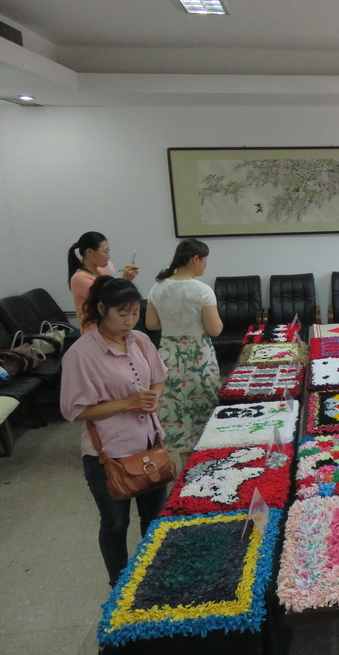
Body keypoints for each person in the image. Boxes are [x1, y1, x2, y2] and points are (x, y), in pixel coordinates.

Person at [60, 277, 167, 586]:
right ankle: (120, 587)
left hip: (149, 445)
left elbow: (158, 377)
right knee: (115, 523)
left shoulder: (140, 340)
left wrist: (154, 397)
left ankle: (155, 578)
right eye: (122, 314)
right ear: (102, 308)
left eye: (135, 313)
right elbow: (74, 410)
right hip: (109, 455)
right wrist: (127, 403)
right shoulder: (81, 354)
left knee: (155, 520)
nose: (129, 321)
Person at [146, 239, 223, 465]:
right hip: (198, 356)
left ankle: (185, 465)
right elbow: (215, 329)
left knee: (176, 409)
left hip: (169, 355)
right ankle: (206, 461)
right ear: (195, 259)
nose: (206, 264)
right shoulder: (202, 290)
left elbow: (151, 324)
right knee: (204, 404)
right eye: (205, 259)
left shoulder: (157, 288)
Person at [68, 232, 139, 332]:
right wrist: (125, 280)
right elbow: (109, 299)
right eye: (105, 252)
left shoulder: (101, 272)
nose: (108, 256)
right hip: (94, 331)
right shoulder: (80, 278)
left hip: (108, 328)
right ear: (89, 252)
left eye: (108, 251)